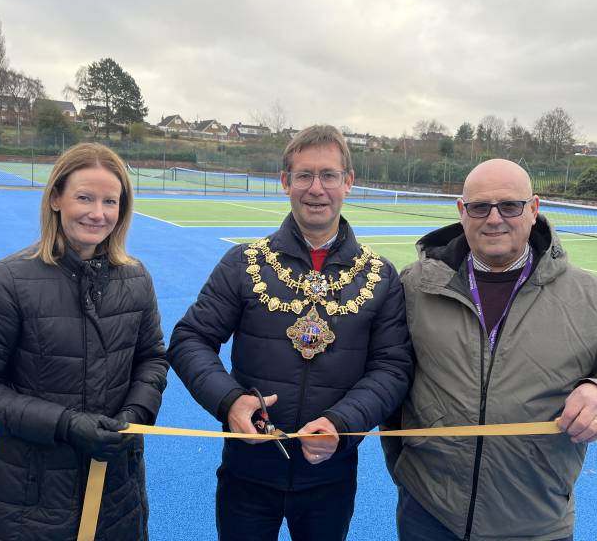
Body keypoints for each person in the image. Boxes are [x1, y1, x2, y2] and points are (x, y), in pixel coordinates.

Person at [383, 158, 597, 541]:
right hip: (429, 514)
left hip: (536, 523)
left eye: (510, 205)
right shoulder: (415, 287)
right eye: (480, 206)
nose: (494, 218)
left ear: (534, 209)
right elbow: (384, 373)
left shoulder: (594, 299)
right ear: (462, 212)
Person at [168, 125, 413, 541]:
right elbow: (190, 339)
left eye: (329, 175)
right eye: (303, 175)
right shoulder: (242, 263)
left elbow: (393, 367)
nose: (316, 188)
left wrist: (343, 422)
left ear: (348, 183)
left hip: (330, 479)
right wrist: (229, 402)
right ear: (285, 182)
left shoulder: (381, 275)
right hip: (248, 472)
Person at [0, 142, 168, 541]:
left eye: (110, 202)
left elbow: (152, 359)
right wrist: (65, 425)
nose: (98, 213)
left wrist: (136, 413)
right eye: (84, 197)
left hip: (117, 493)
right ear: (55, 199)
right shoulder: (6, 283)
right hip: (29, 503)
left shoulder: (137, 279)